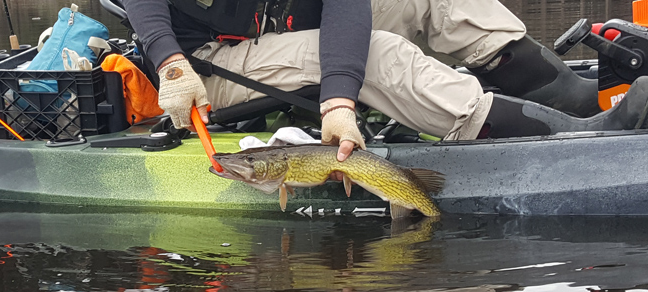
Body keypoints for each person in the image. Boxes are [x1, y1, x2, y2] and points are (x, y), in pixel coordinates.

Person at [121, 0, 648, 161]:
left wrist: (337, 97)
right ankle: (571, 144)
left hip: (286, 30)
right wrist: (169, 62)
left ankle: (582, 106)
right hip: (205, 66)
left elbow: (346, 11)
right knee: (380, 56)